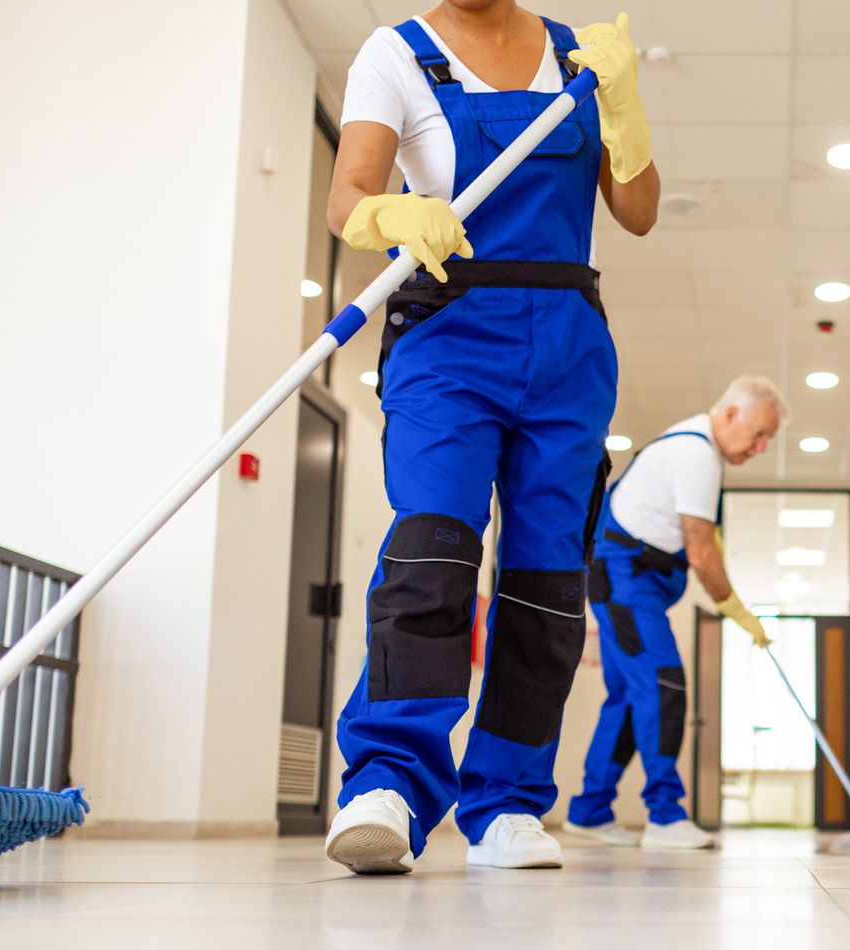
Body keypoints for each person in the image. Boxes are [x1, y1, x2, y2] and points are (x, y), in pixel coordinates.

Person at [322, 4, 659, 874]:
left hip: (569, 343)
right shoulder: (396, 53)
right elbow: (347, 195)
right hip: (450, 331)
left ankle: (508, 800)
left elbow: (639, 210)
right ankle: (389, 784)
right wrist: (390, 217)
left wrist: (623, 108)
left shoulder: (581, 53)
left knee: (548, 579)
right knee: (432, 552)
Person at [564, 376, 787, 850]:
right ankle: (665, 815)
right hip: (626, 581)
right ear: (730, 414)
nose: (761, 447)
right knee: (664, 685)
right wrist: (737, 610)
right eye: (758, 432)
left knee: (628, 695)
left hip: (624, 579)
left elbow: (705, 542)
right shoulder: (696, 455)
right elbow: (702, 552)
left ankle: (590, 809)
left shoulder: (695, 448)